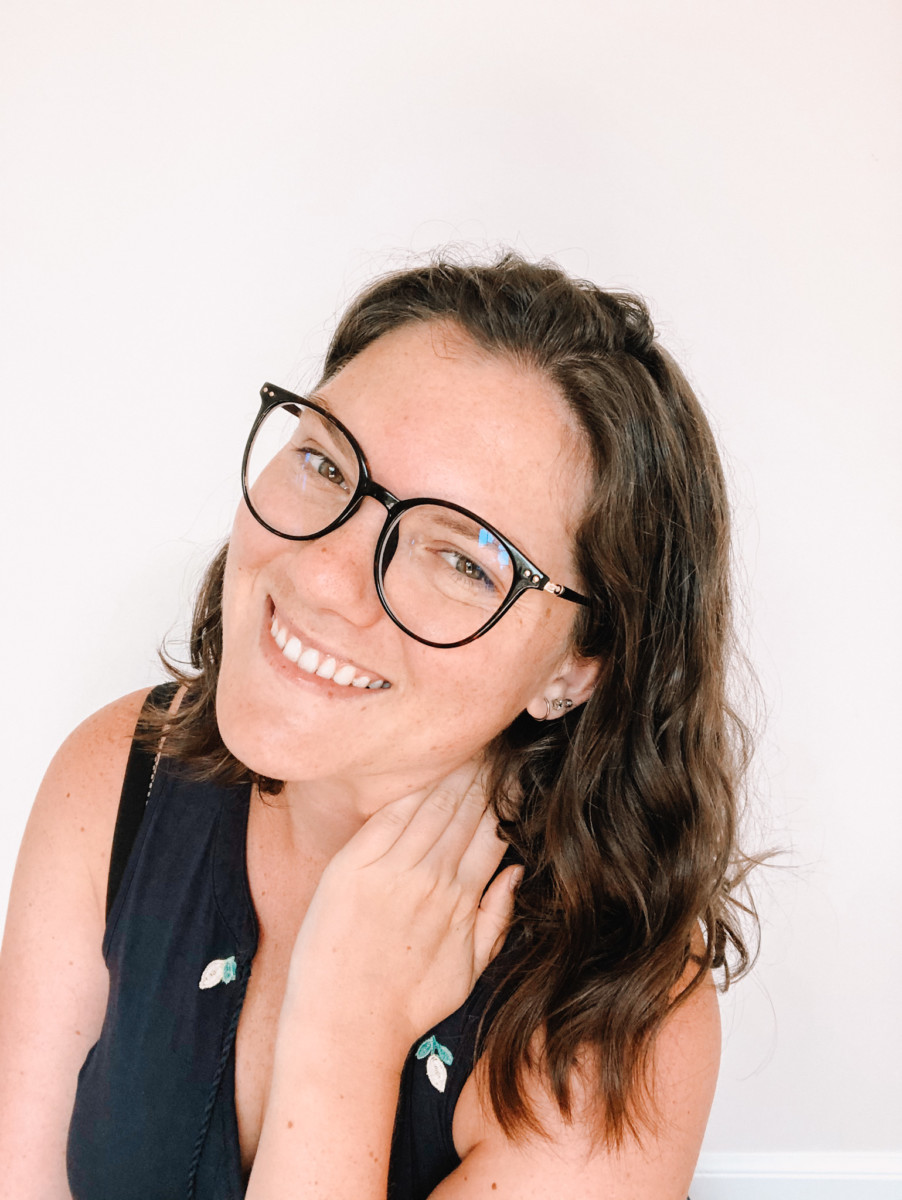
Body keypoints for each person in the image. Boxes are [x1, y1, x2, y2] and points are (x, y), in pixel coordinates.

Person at [0, 253, 755, 1199]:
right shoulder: (119, 774)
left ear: (576, 668)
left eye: (462, 561)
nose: (319, 576)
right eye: (324, 462)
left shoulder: (613, 1019)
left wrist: (345, 1032)